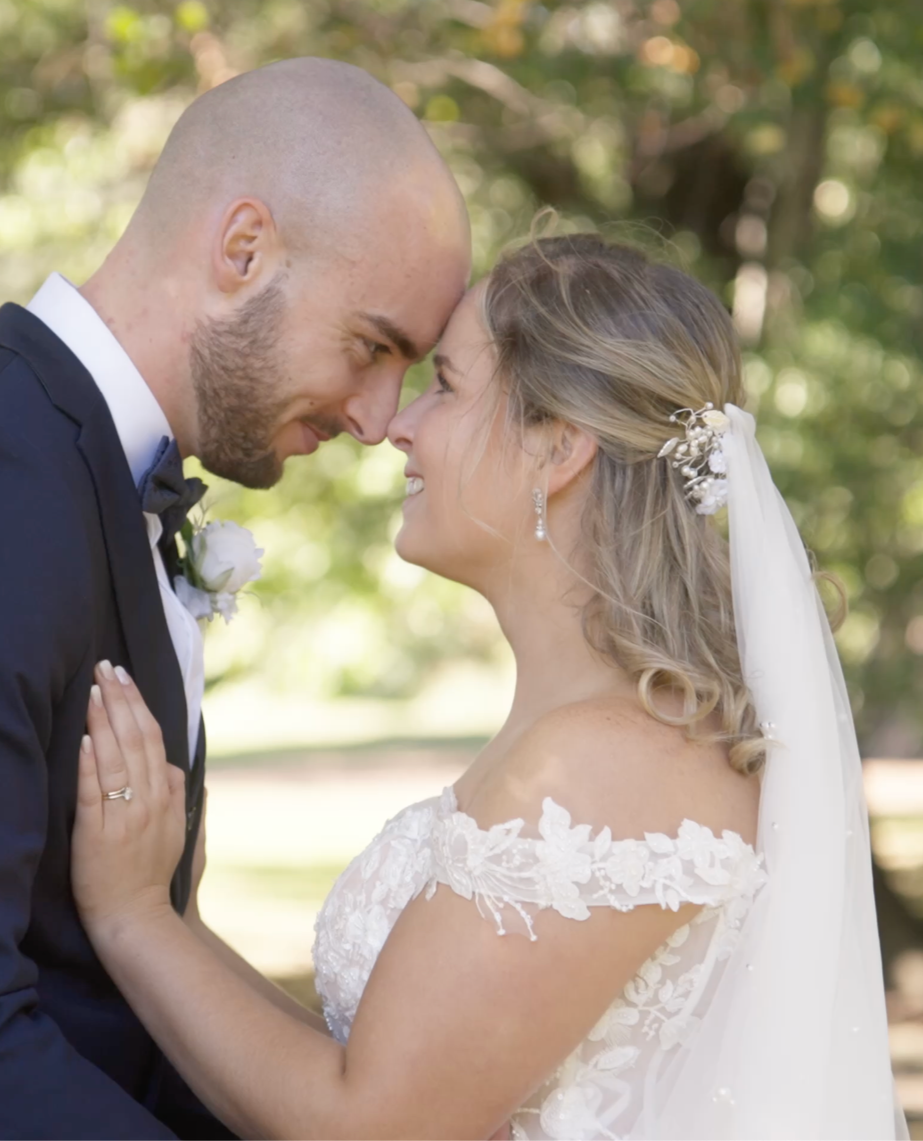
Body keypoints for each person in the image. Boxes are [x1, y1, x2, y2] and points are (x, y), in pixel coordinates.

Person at [71, 233, 904, 1139]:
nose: (398, 423)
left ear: (557, 447)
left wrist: (130, 921)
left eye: (447, 385)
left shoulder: (600, 766)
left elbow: (371, 1124)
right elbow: (396, 1072)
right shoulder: (591, 735)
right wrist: (179, 921)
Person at [0, 58, 470, 1138]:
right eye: (371, 346)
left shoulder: (73, 473)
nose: (380, 417)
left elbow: (97, 998)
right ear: (242, 251)